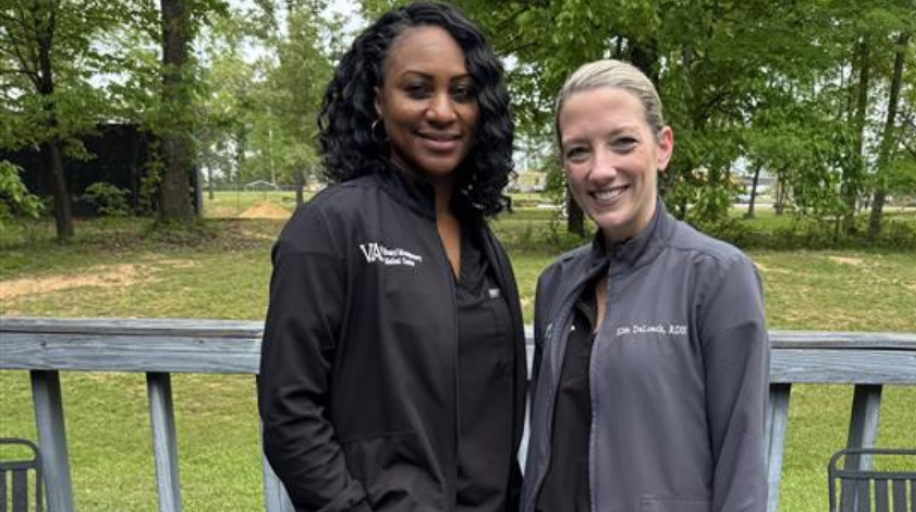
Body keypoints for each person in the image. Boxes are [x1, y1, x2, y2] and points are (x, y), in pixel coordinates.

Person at [258, 3, 527, 512]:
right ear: (378, 100)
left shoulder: (482, 242)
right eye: (418, 89)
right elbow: (290, 412)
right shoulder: (330, 227)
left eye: (462, 92)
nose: (443, 111)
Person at [521, 60, 769, 512]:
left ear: (662, 147)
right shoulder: (556, 284)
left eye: (623, 142)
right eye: (579, 151)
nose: (600, 170)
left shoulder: (717, 276)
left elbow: (742, 463)